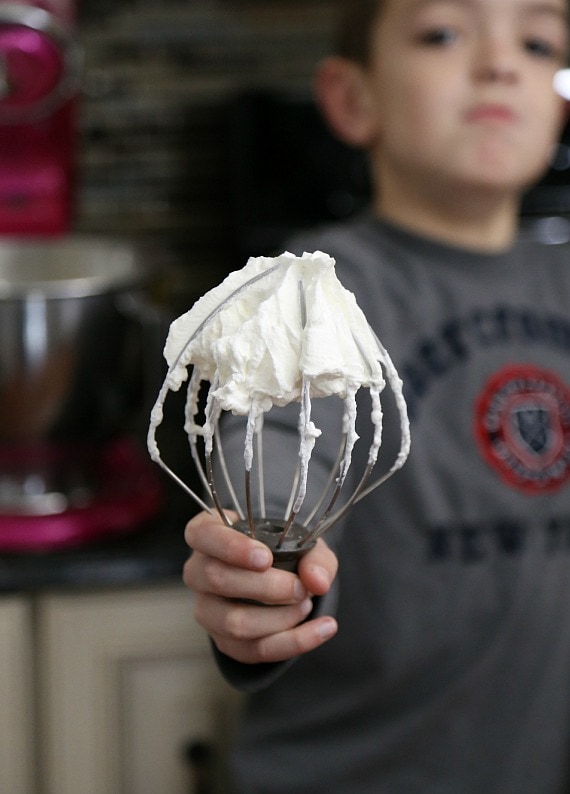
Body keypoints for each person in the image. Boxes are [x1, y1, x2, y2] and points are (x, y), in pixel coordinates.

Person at [183, 0, 570, 791]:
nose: (501, 62)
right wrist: (261, 585)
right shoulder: (312, 295)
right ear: (353, 100)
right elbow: (278, 457)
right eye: (444, 33)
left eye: (538, 43)